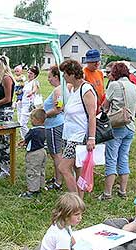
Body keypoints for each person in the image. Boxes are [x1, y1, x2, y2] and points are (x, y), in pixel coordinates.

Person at [99, 62, 136, 200]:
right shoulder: (133, 86)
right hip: (131, 126)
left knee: (111, 159)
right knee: (123, 158)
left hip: (117, 127)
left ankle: (107, 193)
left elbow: (105, 106)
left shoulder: (114, 85)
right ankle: (123, 191)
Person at [58, 59, 96, 197]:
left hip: (78, 136)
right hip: (68, 134)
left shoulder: (86, 89)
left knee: (63, 167)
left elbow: (92, 115)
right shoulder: (74, 89)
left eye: (65, 74)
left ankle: (74, 199)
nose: (63, 77)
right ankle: (79, 199)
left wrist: (91, 138)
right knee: (76, 168)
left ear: (72, 74)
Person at [43, 65, 67, 191]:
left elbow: (58, 109)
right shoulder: (59, 89)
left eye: (50, 76)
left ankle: (58, 182)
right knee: (56, 153)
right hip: (55, 125)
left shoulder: (58, 90)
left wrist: (43, 114)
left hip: (54, 125)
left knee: (56, 154)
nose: (48, 79)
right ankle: (57, 177)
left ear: (56, 77)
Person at [18, 108, 47, 198]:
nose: (31, 121)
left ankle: (32, 190)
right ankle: (41, 185)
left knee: (32, 171)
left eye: (32, 119)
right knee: (41, 170)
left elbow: (26, 139)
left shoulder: (33, 131)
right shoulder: (45, 130)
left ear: (38, 120)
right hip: (42, 151)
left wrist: (22, 143)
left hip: (34, 153)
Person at [19, 66, 40, 140]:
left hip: (28, 105)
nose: (29, 74)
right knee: (20, 123)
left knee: (22, 124)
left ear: (35, 75)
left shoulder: (35, 82)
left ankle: (29, 138)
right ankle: (25, 139)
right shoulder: (26, 82)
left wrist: (32, 92)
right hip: (22, 104)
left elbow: (35, 88)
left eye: (31, 73)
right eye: (28, 72)